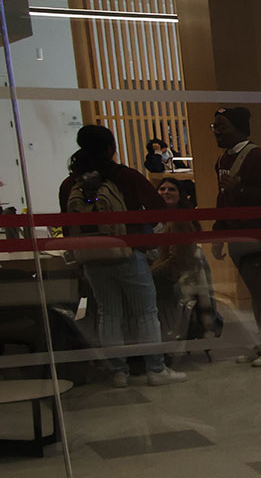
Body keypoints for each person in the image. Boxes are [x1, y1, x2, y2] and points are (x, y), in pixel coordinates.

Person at [58, 124, 184, 387]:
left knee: (108, 313)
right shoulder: (124, 176)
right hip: (128, 252)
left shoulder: (71, 182)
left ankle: (118, 372)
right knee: (146, 313)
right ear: (110, 148)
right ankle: (155, 369)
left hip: (91, 256)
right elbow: (158, 210)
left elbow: (67, 223)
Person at [210, 107, 261, 365]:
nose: (217, 132)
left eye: (222, 126)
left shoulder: (258, 156)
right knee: (257, 291)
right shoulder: (222, 160)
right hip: (239, 234)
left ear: (239, 128)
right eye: (215, 127)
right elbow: (223, 199)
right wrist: (218, 233)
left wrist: (241, 189)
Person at [153, 176, 220, 348]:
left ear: (180, 195)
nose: (165, 192)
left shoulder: (184, 220)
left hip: (180, 272)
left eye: (171, 189)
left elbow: (181, 257)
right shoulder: (149, 217)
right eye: (162, 189)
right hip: (158, 267)